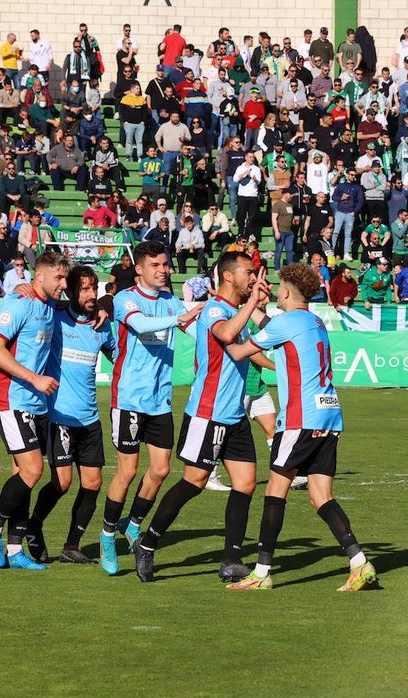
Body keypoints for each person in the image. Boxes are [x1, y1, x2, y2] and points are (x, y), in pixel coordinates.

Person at [224, 263, 377, 592]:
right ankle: (359, 562)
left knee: (274, 492)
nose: (275, 291)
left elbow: (237, 350)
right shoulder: (312, 320)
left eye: (278, 287)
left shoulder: (288, 322)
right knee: (321, 496)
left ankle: (262, 572)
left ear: (288, 292)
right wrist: (256, 311)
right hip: (329, 417)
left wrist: (214, 327)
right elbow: (276, 332)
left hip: (300, 419)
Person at [132, 253, 271, 583]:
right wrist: (252, 303)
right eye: (248, 273)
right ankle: (148, 542)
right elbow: (226, 335)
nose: (252, 277)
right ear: (227, 276)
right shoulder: (214, 310)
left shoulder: (239, 310)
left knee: (246, 483)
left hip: (235, 414)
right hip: (207, 414)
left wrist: (263, 305)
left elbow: (264, 335)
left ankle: (231, 560)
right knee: (193, 482)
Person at [100, 240, 201, 575]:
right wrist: (181, 317)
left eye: (166, 264)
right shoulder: (124, 299)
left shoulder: (172, 302)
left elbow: (199, 332)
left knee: (160, 470)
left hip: (160, 400)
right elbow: (141, 325)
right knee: (127, 472)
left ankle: (133, 525)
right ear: (139, 268)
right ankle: (106, 535)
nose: (163, 270)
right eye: (155, 265)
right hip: (129, 397)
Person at [0, 250, 69, 571]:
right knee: (33, 471)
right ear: (39, 276)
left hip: (35, 402)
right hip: (9, 398)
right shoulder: (20, 302)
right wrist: (34, 378)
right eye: (58, 278)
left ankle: (15, 550)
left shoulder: (51, 305)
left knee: (22, 475)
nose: (63, 284)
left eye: (65, 278)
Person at [25, 265, 116, 564]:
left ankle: (71, 546)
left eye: (95, 289)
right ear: (73, 291)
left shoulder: (102, 327)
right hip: (60, 417)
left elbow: (119, 357)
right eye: (86, 289)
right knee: (62, 483)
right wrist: (18, 287)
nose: (92, 295)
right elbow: (37, 297)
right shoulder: (56, 318)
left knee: (93, 484)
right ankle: (33, 525)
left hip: (89, 419)